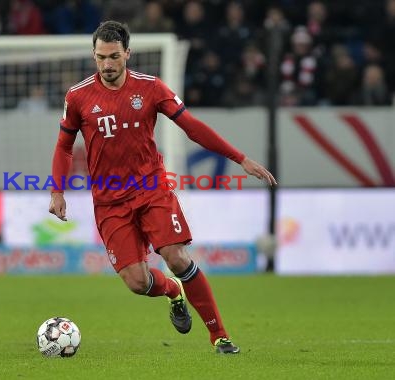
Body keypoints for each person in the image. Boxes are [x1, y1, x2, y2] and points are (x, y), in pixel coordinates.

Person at [49, 21, 276, 354]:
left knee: (176, 256)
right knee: (137, 283)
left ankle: (220, 336)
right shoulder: (79, 96)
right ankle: (173, 293)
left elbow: (192, 127)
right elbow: (64, 146)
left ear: (127, 53)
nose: (108, 65)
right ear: (93, 56)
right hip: (110, 202)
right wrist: (57, 190)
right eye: (101, 58)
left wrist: (239, 158)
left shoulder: (151, 88)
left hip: (151, 188)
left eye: (114, 56)